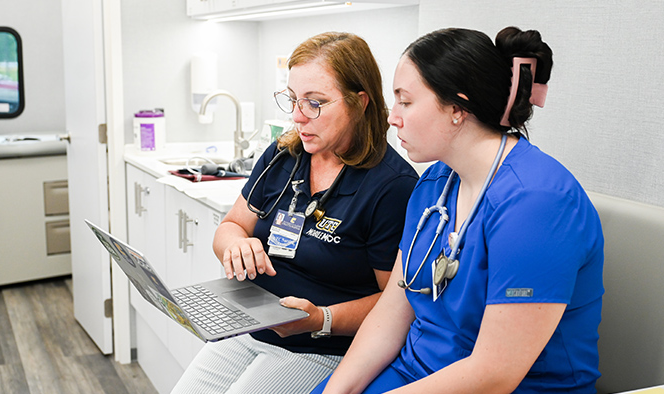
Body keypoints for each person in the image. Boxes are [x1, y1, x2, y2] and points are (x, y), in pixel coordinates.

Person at [312, 27, 604, 394]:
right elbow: (391, 314)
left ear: (456, 108)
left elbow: (495, 373)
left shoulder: (538, 204)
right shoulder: (435, 183)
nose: (392, 118)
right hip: (416, 372)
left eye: (405, 101)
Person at [170, 32, 419, 394]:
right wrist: (235, 246)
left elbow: (395, 306)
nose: (298, 117)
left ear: (360, 102)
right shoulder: (284, 155)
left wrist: (321, 319)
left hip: (321, 346)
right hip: (248, 326)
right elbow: (232, 225)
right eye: (292, 100)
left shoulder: (391, 186)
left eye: (315, 103)